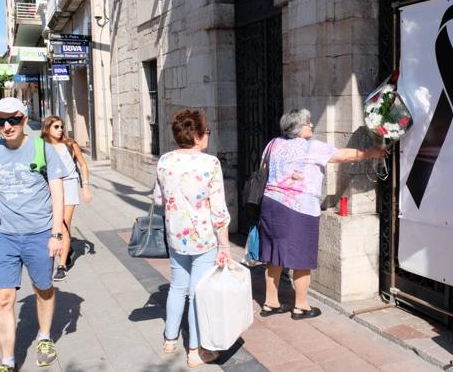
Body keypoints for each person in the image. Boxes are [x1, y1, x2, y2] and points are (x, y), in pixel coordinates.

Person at [259, 108, 386, 320]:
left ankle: (270, 303)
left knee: (274, 254)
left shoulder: (273, 144)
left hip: (271, 204)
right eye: (309, 123)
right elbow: (341, 156)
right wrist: (371, 153)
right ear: (299, 129)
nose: (312, 125)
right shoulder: (312, 147)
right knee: (302, 257)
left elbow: (263, 167)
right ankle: (300, 306)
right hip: (298, 208)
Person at [0, 97, 68, 372]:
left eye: (13, 119)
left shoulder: (42, 149)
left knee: (42, 289)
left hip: (39, 234)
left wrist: (56, 234)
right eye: (1, 120)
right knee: (2, 299)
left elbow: (57, 194)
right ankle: (7, 360)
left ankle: (43, 336)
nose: (7, 126)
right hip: (4, 236)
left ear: (25, 119)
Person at [154, 109, 231, 367]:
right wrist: (225, 245)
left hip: (176, 235)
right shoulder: (210, 164)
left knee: (177, 286)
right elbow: (219, 209)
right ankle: (196, 351)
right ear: (197, 135)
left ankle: (169, 339)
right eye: (206, 131)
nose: (207, 135)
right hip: (204, 238)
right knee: (198, 293)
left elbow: (158, 198)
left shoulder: (164, 161)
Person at [41, 116, 92, 281]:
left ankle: (61, 266)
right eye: (56, 127)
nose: (60, 129)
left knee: (64, 224)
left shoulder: (70, 144)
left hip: (69, 185)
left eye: (61, 126)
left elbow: (83, 165)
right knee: (52, 224)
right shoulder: (42, 146)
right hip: (50, 187)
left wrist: (85, 186)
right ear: (47, 128)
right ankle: (66, 248)